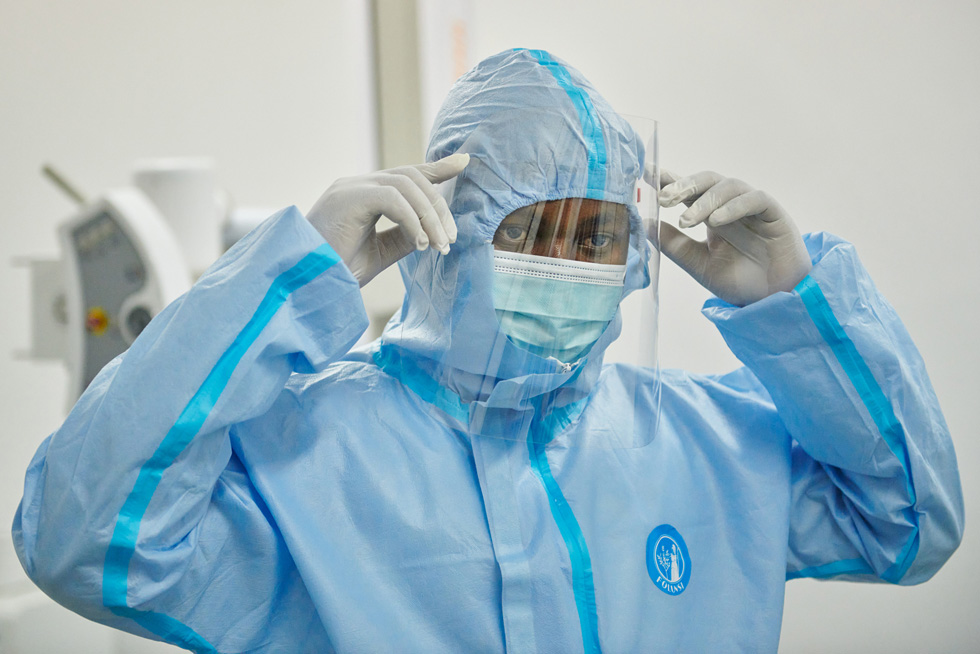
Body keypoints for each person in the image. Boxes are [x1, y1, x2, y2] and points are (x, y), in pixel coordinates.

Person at [12, 48, 963, 653]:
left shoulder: (704, 443)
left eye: (597, 239)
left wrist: (795, 301)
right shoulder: (306, 453)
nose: (572, 267)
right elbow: (81, 543)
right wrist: (288, 278)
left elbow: (909, 523)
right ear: (451, 234)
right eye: (532, 231)